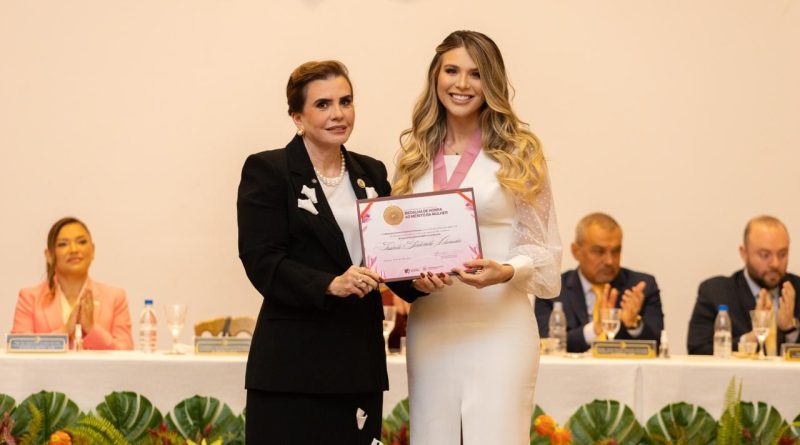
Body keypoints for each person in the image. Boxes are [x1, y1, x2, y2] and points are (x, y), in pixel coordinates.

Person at [237, 60, 423, 443]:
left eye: (345, 101)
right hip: (291, 368)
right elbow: (262, 260)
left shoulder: (371, 173)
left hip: (358, 364)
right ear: (297, 117)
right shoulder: (268, 170)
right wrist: (329, 284)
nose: (338, 114)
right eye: (323, 104)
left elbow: (388, 255)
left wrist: (423, 280)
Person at [392, 30, 562, 444]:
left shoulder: (519, 152)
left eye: (476, 74)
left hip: (499, 327)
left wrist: (506, 270)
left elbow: (544, 249)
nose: (462, 84)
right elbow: (399, 240)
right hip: (431, 327)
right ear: (436, 76)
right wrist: (411, 276)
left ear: (492, 83)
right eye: (452, 71)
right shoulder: (415, 154)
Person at [535, 212, 664, 352]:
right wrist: (595, 329)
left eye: (616, 251)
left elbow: (658, 345)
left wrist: (634, 325)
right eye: (599, 251)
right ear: (576, 251)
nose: (609, 261)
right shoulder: (551, 289)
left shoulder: (640, 287)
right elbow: (544, 345)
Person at [12, 217, 134, 350]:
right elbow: (18, 347)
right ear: (49, 255)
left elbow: (125, 350)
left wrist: (91, 328)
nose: (74, 250)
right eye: (63, 244)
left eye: (81, 242)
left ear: (93, 250)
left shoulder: (115, 297)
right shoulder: (29, 298)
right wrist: (65, 331)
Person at [688, 215, 799, 355]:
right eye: (765, 255)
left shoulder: (797, 288)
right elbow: (697, 350)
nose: (775, 263)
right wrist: (751, 339)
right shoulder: (716, 292)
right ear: (744, 253)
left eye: (782, 254)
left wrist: (790, 330)